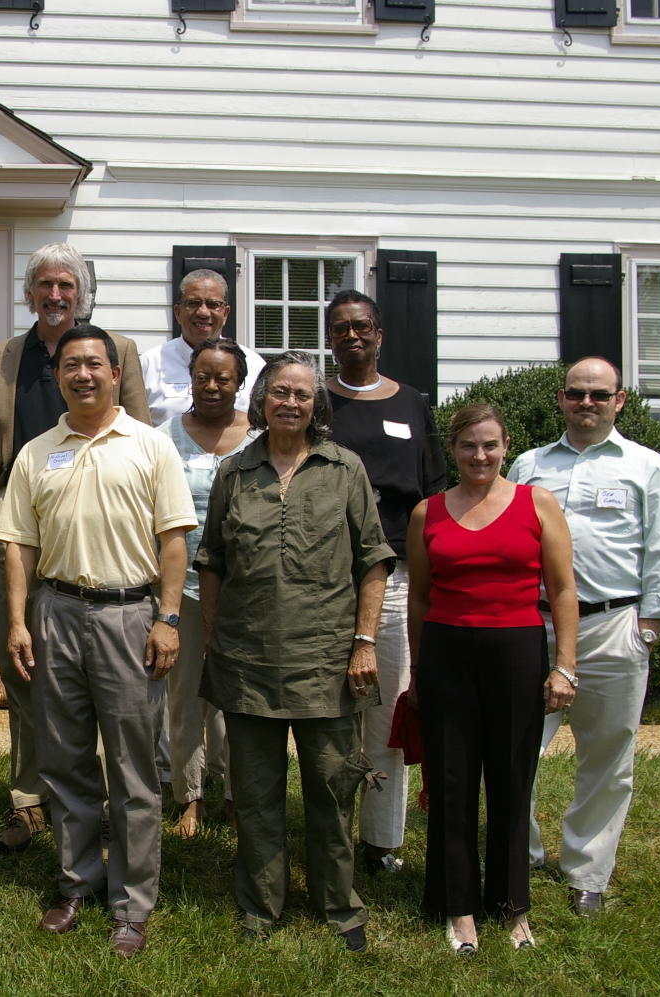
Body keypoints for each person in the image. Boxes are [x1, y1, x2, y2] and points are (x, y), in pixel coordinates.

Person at [0, 324, 195, 958]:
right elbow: (18, 546)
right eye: (70, 366)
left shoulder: (149, 445)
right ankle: (77, 881)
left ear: (115, 373)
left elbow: (173, 541)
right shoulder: (35, 453)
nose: (83, 375)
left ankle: (133, 903)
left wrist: (167, 618)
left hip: (128, 617)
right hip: (57, 612)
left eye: (94, 365)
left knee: (135, 769)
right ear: (57, 376)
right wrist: (20, 621)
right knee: (65, 760)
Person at [195, 350, 393, 952]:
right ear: (260, 401)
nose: (290, 402)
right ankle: (261, 906)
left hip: (327, 661)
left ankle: (338, 903)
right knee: (255, 795)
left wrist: (364, 643)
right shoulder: (234, 471)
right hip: (248, 663)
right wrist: (217, 639)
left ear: (316, 405)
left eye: (302, 394)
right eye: (279, 391)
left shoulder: (345, 468)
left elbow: (374, 561)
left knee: (333, 791)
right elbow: (212, 564)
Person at [0, 242, 150, 853]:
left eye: (65, 287)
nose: (55, 296)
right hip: (21, 531)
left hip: (100, 536)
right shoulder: (0, 359)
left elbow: (144, 444)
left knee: (99, 676)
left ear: (80, 294)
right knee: (26, 671)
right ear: (29, 294)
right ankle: (29, 801)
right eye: (44, 286)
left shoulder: (116, 351)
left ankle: (93, 798)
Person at [512, 357, 660, 917]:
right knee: (517, 747)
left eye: (598, 394)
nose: (585, 402)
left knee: (608, 754)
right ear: (561, 400)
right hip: (533, 626)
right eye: (576, 393)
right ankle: (525, 851)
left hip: (615, 625)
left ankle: (587, 871)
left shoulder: (647, 467)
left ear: (620, 401)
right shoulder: (528, 464)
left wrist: (650, 625)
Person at [407, 403, 578, 952]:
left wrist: (564, 666)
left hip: (517, 652)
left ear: (506, 447)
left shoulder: (538, 503)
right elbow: (420, 596)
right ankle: (457, 908)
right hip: (447, 653)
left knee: (510, 782)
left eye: (489, 445)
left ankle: (511, 907)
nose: (479, 456)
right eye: (467, 446)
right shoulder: (426, 512)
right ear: (452, 450)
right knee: (452, 783)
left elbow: (563, 590)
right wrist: (418, 670)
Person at [324, 289, 447, 875]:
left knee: (383, 709)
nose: (353, 336)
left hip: (395, 580)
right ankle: (329, 832)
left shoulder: (415, 405)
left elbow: (435, 493)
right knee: (327, 714)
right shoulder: (318, 404)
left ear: (379, 335)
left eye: (362, 326)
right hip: (324, 580)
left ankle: (381, 841)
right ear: (330, 338)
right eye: (341, 328)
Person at [156, 337, 254, 837]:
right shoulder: (165, 436)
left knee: (239, 697)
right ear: (189, 380)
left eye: (223, 378)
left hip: (247, 592)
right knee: (186, 695)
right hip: (185, 587)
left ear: (240, 383)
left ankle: (238, 794)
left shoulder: (260, 439)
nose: (212, 386)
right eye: (203, 377)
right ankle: (189, 796)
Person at [139, 269, 264, 426]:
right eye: (193, 303)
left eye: (213, 304)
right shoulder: (148, 364)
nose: (203, 312)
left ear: (225, 314)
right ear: (178, 312)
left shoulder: (254, 365)